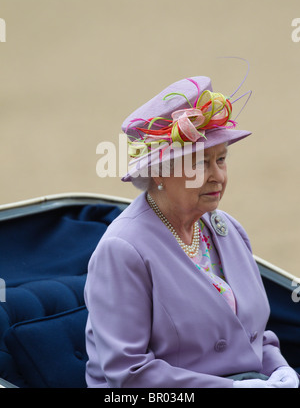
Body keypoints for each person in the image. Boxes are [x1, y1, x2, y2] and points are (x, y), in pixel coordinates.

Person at [84, 76, 299, 388]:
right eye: (200, 163)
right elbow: (127, 375)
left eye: (222, 159)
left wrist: (279, 369)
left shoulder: (226, 229)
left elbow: (254, 334)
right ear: (158, 172)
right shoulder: (123, 250)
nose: (217, 177)